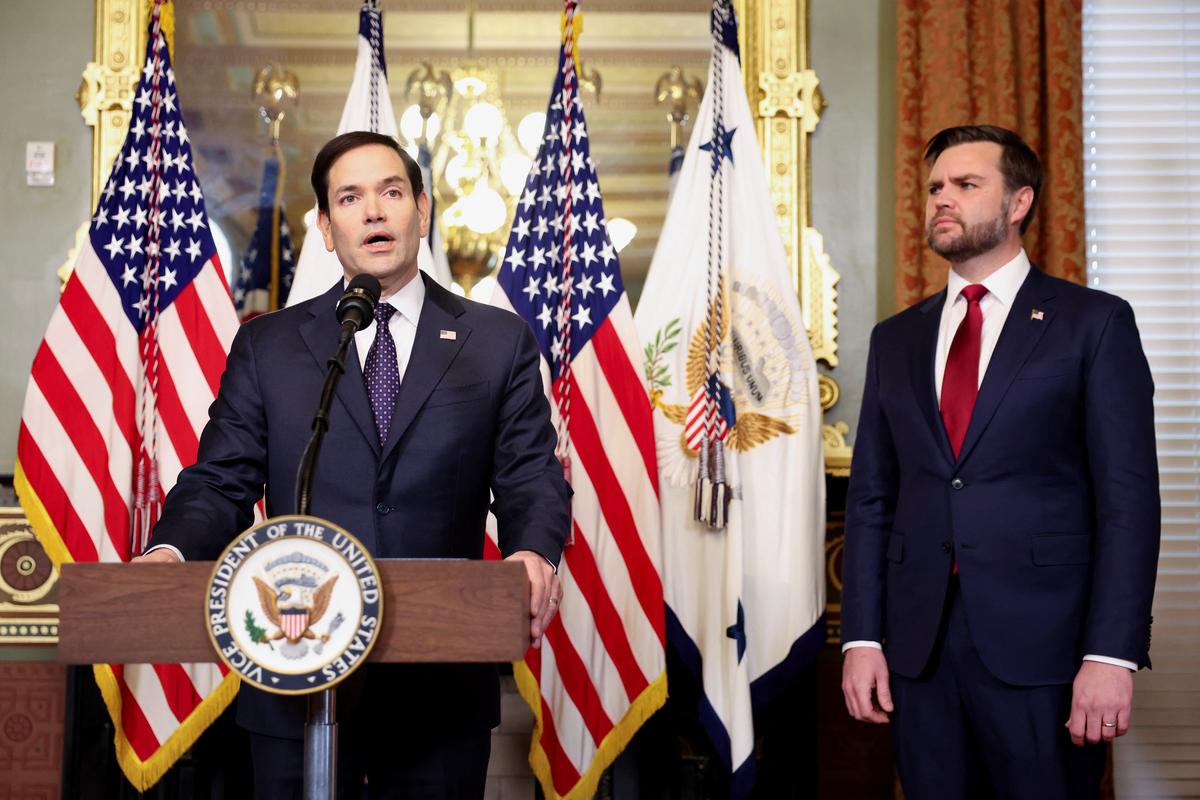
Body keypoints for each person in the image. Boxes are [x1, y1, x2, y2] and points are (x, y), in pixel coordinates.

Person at [135, 130, 571, 798]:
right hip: (295, 663)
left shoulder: (495, 342)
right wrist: (170, 551)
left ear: (422, 211)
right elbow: (220, 479)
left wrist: (535, 553)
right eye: (351, 197)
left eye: (392, 192)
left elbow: (528, 475)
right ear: (327, 227)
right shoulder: (270, 347)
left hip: (439, 682)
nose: (374, 211)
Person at [840, 124, 1160, 798]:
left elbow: (1128, 501)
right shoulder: (896, 339)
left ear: (1018, 203)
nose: (942, 201)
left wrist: (1111, 654)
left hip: (1047, 650)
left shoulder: (1093, 323)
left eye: (965, 185)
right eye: (934, 188)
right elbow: (872, 498)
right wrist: (861, 638)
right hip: (918, 653)